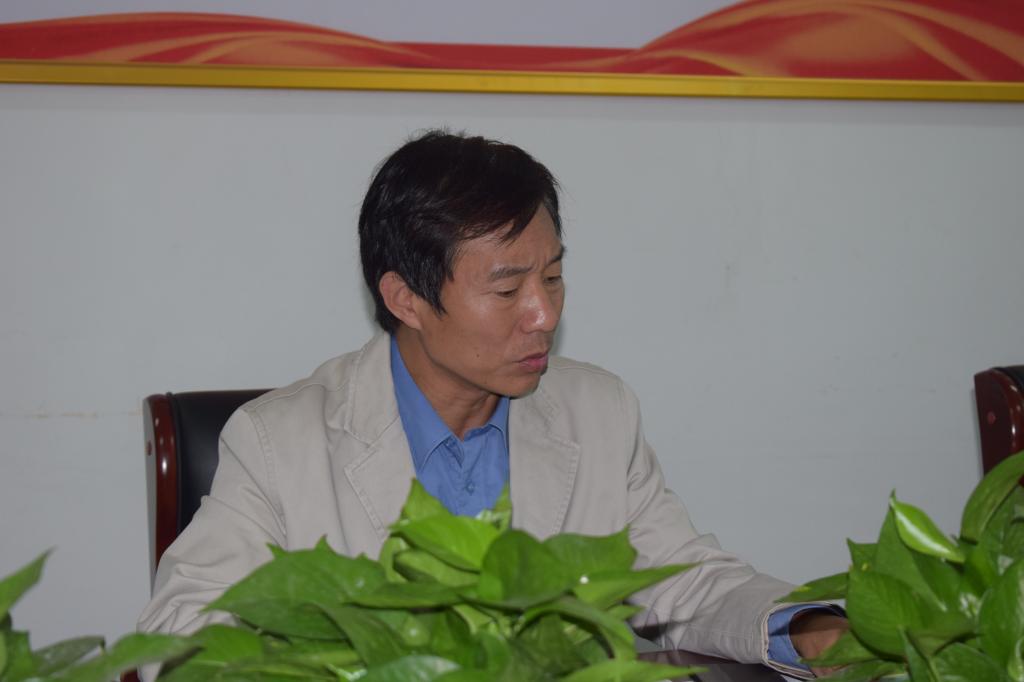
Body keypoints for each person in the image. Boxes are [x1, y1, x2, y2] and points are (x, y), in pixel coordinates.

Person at [139, 130, 845, 678]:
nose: (544, 314)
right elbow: (183, 634)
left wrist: (808, 629)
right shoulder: (278, 442)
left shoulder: (598, 413)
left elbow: (684, 583)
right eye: (507, 290)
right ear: (405, 298)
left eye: (554, 277)